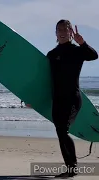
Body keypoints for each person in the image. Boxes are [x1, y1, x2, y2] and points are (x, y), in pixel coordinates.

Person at [46, 19, 98, 177]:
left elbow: (94, 56)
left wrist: (83, 43)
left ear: (70, 32)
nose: (62, 32)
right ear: (55, 33)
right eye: (59, 29)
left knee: (63, 130)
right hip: (57, 99)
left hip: (72, 98)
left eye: (65, 29)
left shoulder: (77, 51)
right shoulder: (52, 55)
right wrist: (32, 98)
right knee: (60, 132)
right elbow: (45, 80)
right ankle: (70, 167)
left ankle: (72, 168)